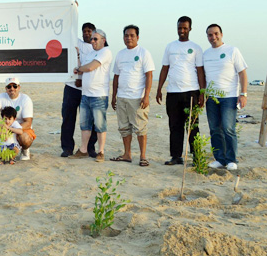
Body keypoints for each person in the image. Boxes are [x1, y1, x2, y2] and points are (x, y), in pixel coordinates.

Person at [156, 16, 205, 165]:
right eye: (179, 28)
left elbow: (200, 71)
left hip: (191, 92)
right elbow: (165, 68)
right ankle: (176, 156)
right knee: (174, 126)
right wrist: (159, 88)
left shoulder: (196, 48)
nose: (182, 31)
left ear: (190, 28)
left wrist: (202, 93)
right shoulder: (170, 46)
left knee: (192, 126)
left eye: (184, 28)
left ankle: (196, 157)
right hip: (173, 92)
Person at [203, 24, 248, 171]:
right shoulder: (206, 54)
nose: (213, 37)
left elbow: (242, 73)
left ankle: (231, 160)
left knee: (228, 129)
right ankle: (220, 159)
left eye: (216, 34)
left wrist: (243, 94)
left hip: (229, 97)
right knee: (215, 129)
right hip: (211, 98)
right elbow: (203, 76)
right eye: (210, 35)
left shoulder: (232, 51)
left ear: (221, 34)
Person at [110, 25, 155, 167]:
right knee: (123, 127)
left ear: (137, 37)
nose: (129, 38)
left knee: (140, 127)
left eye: (132, 35)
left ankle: (143, 156)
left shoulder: (143, 53)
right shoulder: (120, 54)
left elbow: (149, 75)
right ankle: (127, 154)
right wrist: (114, 96)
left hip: (137, 97)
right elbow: (116, 76)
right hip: (122, 97)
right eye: (126, 36)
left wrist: (146, 96)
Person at [70, 30, 112, 162]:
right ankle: (83, 150)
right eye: (92, 39)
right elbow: (82, 67)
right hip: (86, 94)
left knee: (100, 125)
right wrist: (78, 57)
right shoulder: (90, 53)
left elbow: (89, 68)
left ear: (103, 40)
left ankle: (101, 152)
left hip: (98, 95)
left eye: (95, 39)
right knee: (85, 124)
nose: (92, 41)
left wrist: (79, 69)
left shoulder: (106, 52)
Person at [60, 23, 98, 158]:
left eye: (89, 31)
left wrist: (81, 79)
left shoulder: (97, 49)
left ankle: (90, 148)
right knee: (68, 118)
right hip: (71, 87)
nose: (87, 33)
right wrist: (73, 8)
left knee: (89, 120)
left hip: (87, 89)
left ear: (94, 32)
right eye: (84, 31)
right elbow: (68, 26)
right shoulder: (77, 43)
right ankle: (67, 148)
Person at [0, 77, 35, 160]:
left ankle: (25, 150)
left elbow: (28, 122)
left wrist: (10, 129)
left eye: (15, 86)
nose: (12, 89)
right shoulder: (1, 96)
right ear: (6, 88)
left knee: (25, 138)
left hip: (20, 128)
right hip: (4, 126)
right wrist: (1, 125)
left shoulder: (25, 99)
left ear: (19, 87)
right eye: (9, 87)